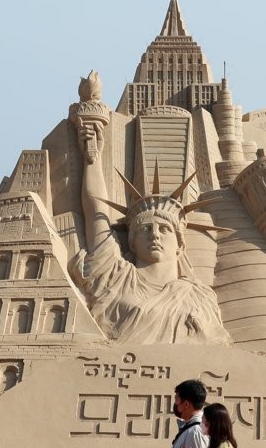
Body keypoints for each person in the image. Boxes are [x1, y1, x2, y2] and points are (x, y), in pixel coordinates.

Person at [70, 117, 232, 345]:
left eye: (164, 229)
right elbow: (95, 211)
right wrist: (91, 158)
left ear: (180, 245)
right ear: (132, 242)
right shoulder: (115, 276)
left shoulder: (199, 297)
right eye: (145, 229)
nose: (155, 234)